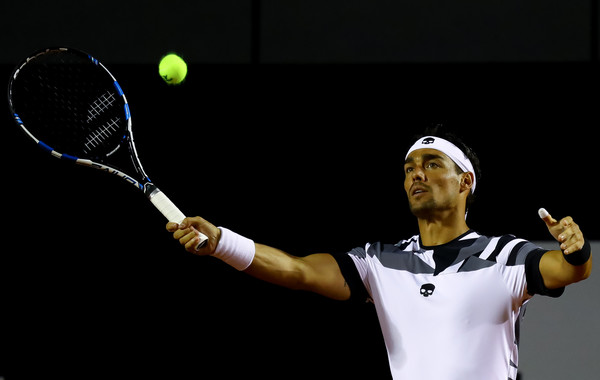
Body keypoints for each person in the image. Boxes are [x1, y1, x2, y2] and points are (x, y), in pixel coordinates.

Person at [167, 128, 592, 380]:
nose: (416, 175)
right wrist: (223, 241)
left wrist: (575, 251)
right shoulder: (379, 261)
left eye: (431, 164)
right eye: (409, 168)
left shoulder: (505, 255)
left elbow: (568, 271)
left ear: (465, 182)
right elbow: (297, 271)